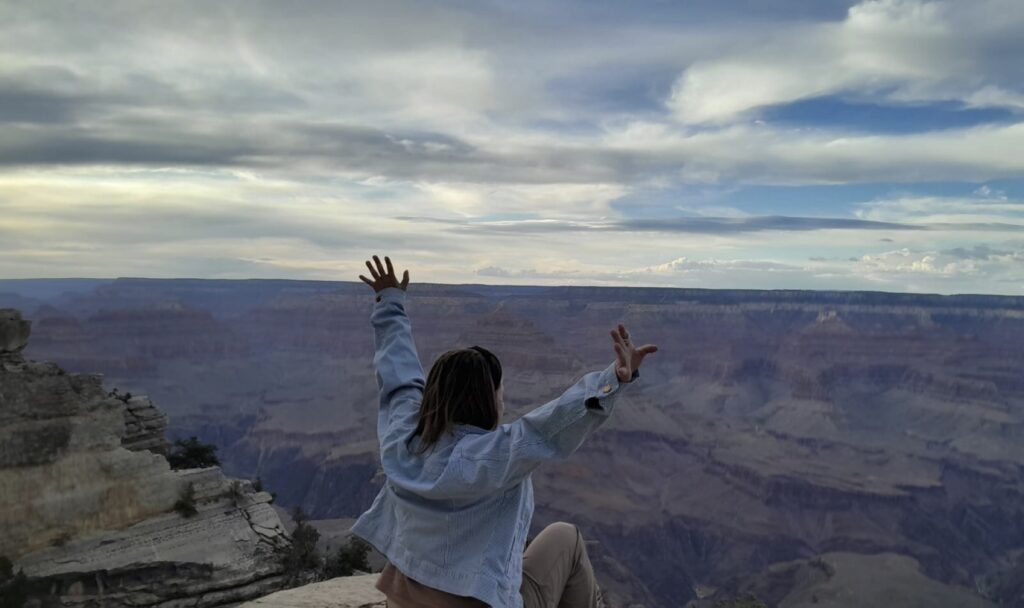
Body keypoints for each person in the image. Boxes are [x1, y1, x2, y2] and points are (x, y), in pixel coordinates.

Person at [351, 255, 658, 608]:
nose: (503, 400)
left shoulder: (403, 439)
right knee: (566, 539)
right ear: (488, 400)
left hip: (403, 601)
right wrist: (613, 381)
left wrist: (389, 302)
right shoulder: (493, 457)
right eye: (500, 392)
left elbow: (399, 378)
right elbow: (550, 426)